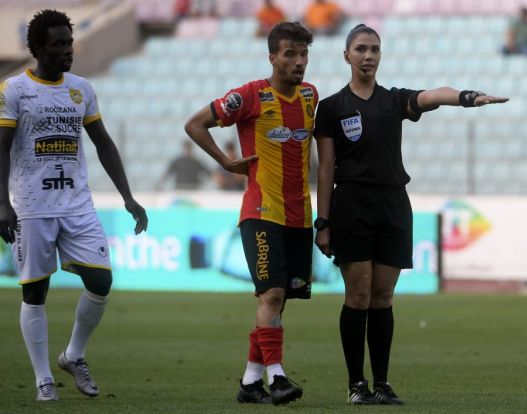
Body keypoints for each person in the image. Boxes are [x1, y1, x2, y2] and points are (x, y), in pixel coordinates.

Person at [313, 24, 508, 405]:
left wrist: (468, 97)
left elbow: (432, 96)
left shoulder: (393, 100)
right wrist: (323, 222)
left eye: (375, 49)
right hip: (350, 205)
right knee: (358, 294)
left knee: (383, 296)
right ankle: (356, 385)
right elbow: (325, 169)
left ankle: (381, 384)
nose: (368, 56)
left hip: (393, 205)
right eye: (361, 49)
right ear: (347, 56)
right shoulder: (332, 107)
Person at [0, 10, 148, 402]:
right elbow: (1, 148)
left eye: (69, 42)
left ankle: (73, 355)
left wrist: (128, 197)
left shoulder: (81, 89)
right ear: (37, 48)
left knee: (101, 281)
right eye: (58, 44)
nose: (67, 50)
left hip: (77, 204)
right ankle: (43, 378)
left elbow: (103, 143)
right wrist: (2, 203)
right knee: (36, 293)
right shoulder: (13, 89)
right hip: (31, 206)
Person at [184, 21, 317, 405]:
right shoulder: (249, 96)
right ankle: (278, 379)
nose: (298, 61)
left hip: (299, 216)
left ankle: (250, 381)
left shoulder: (311, 96)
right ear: (272, 56)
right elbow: (195, 124)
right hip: (260, 212)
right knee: (272, 295)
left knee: (274, 303)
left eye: (303, 54)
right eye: (290, 54)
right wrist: (226, 162)